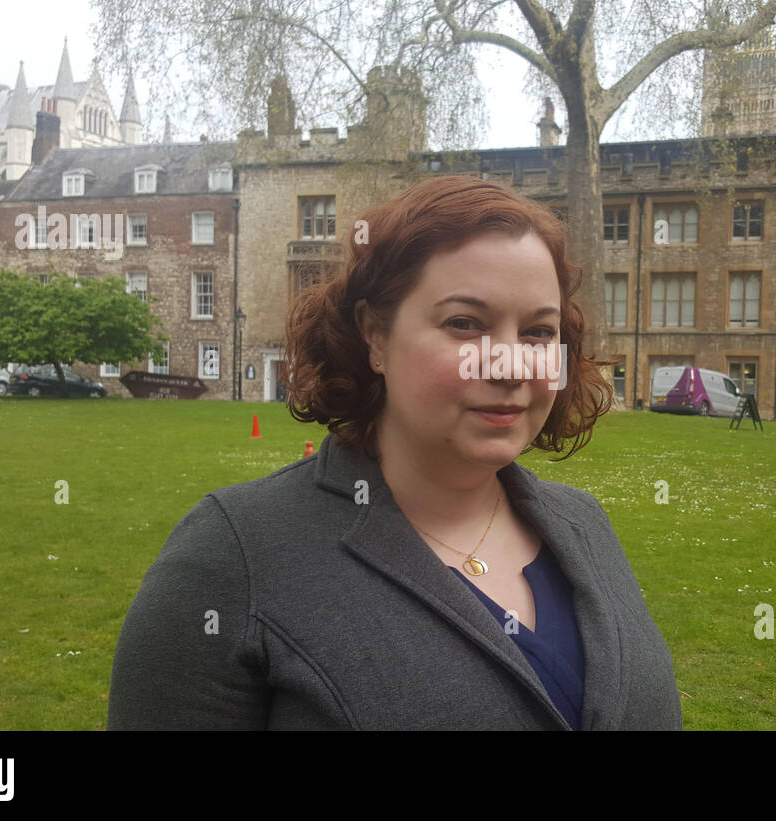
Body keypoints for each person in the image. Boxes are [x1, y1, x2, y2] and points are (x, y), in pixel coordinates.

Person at [107, 175, 682, 730]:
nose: (511, 366)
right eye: (465, 324)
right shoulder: (232, 559)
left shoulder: (585, 526)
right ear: (376, 336)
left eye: (537, 332)